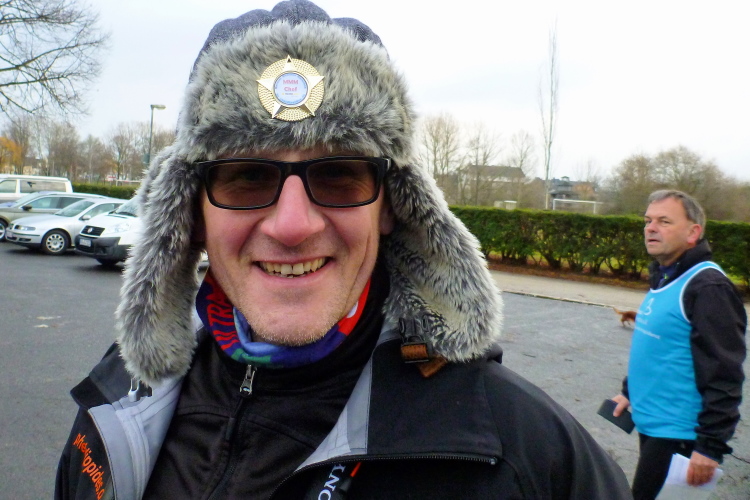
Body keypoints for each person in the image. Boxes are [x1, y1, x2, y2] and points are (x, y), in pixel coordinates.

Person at [55, 2, 632, 498]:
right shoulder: (116, 408)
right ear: (190, 211)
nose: (292, 225)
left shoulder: (527, 457)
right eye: (246, 177)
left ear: (392, 206)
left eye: (338, 174)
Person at [611, 189, 746, 500]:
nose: (651, 228)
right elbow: (659, 349)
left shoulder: (708, 287)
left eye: (664, 221)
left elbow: (725, 373)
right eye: (647, 221)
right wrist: (630, 392)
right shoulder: (665, 276)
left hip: (680, 436)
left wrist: (709, 447)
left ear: (693, 233)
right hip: (653, 426)